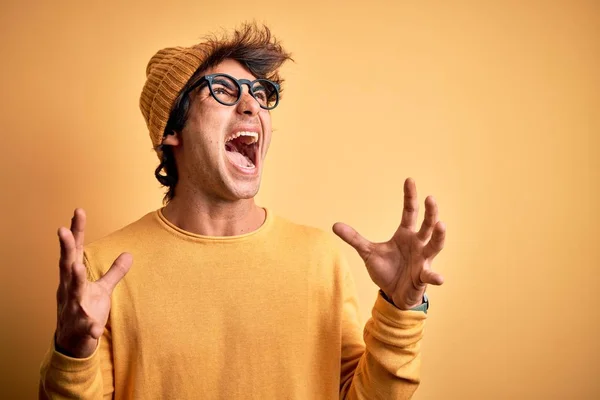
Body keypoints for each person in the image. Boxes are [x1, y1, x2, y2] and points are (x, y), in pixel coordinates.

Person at [38, 23, 446, 400]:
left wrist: (399, 310)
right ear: (172, 130)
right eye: (223, 90)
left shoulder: (321, 259)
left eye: (261, 93)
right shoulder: (105, 271)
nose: (252, 106)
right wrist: (71, 352)